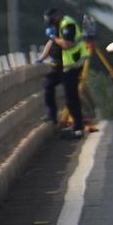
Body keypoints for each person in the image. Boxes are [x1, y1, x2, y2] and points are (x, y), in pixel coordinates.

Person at [39, 8, 86, 139]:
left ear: (56, 17)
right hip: (61, 66)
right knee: (48, 84)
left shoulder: (67, 25)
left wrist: (54, 37)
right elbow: (51, 42)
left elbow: (67, 44)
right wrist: (41, 58)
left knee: (71, 96)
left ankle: (77, 128)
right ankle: (51, 115)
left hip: (72, 66)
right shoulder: (58, 25)